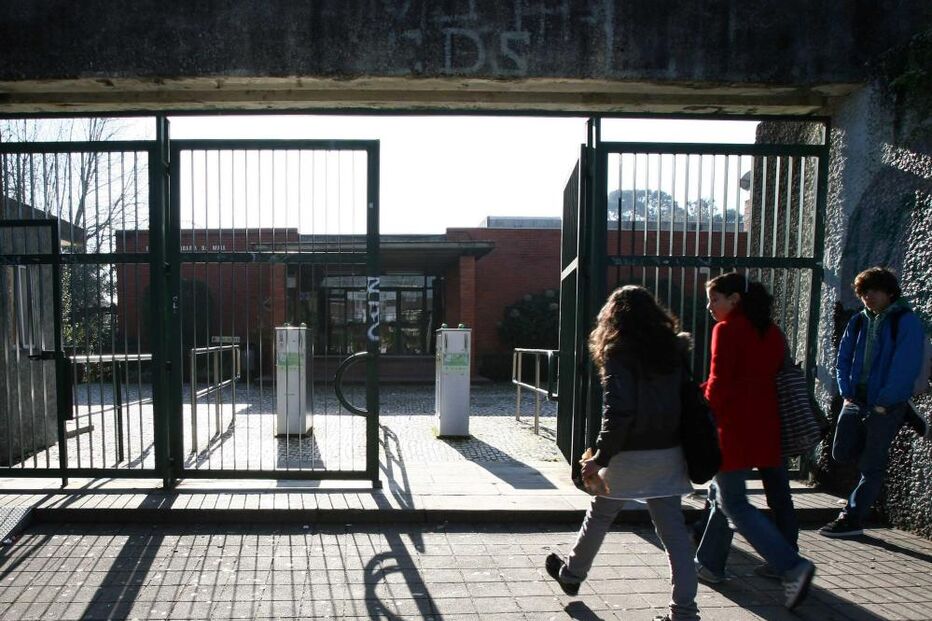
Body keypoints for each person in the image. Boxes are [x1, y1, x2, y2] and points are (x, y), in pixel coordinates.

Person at [544, 285, 699, 621]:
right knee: (674, 531)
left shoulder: (618, 351)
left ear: (613, 316)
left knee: (600, 514)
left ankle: (572, 575)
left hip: (629, 453)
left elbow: (619, 412)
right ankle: (685, 612)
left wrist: (600, 456)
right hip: (669, 450)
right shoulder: (674, 350)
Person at [698, 272, 815, 610]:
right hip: (764, 424)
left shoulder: (727, 329)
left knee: (735, 502)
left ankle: (791, 566)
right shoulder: (772, 332)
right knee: (722, 494)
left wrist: (701, 405)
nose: (709, 306)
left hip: (733, 426)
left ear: (734, 299)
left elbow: (721, 382)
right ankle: (709, 563)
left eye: (714, 298)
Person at [820, 267, 926, 538]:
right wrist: (846, 391)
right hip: (857, 399)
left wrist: (887, 400)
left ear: (890, 292)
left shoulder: (905, 321)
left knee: (872, 463)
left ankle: (852, 518)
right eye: (864, 292)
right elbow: (843, 358)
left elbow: (905, 364)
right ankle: (904, 415)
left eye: (875, 290)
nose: (868, 296)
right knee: (840, 452)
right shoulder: (858, 321)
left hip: (885, 402)